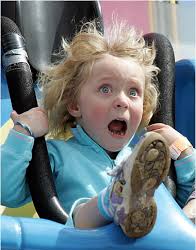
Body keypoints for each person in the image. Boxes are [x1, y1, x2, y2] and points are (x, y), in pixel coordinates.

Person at [1, 21, 195, 238]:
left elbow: (182, 197)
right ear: (75, 105)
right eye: (105, 89)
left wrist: (182, 150)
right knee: (86, 211)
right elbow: (7, 191)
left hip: (148, 244)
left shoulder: (148, 159)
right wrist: (23, 132)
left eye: (133, 92)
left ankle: (132, 200)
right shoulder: (57, 154)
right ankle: (115, 199)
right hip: (84, 241)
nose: (122, 101)